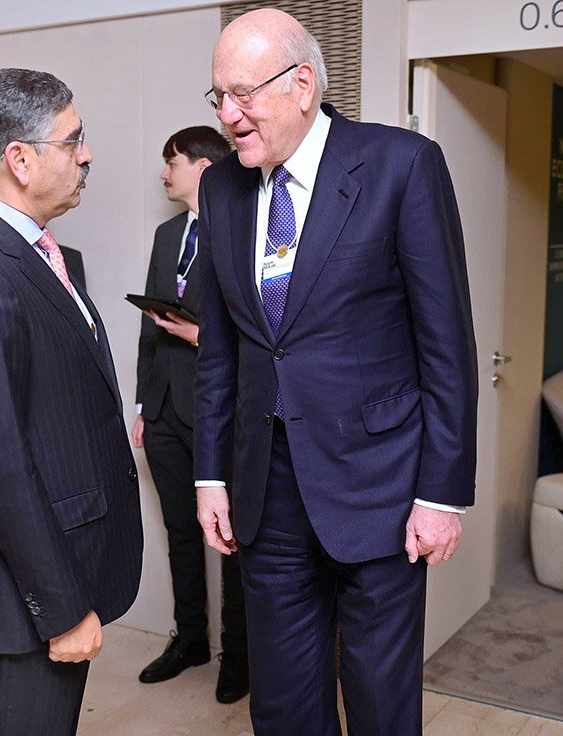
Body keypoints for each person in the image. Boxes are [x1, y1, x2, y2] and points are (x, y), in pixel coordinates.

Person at [194, 9, 478, 736]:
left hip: (381, 487)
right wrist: (211, 476)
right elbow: (222, 349)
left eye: (242, 94)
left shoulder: (401, 165)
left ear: (303, 84)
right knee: (284, 704)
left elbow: (445, 345)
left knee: (381, 704)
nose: (229, 115)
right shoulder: (222, 189)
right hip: (265, 492)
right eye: (217, 97)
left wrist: (440, 493)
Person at [0, 68, 143, 736]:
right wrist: (64, 607)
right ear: (19, 159)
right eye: (73, 140)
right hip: (28, 603)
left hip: (57, 575)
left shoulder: (37, 251)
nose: (88, 154)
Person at [132, 126, 248, 703]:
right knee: (181, 530)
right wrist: (143, 405)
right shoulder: (165, 234)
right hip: (166, 410)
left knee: (233, 538)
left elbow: (259, 330)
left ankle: (240, 653)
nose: (163, 174)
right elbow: (148, 329)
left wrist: (203, 335)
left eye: (171, 162)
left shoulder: (244, 228)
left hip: (220, 408)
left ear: (203, 167)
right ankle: (191, 639)